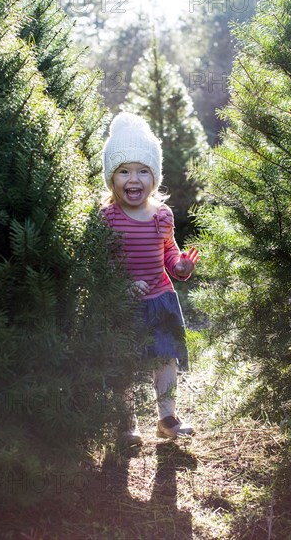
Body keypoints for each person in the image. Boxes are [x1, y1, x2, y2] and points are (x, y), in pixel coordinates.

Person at [101, 112, 199, 444]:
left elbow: (169, 251)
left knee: (165, 357)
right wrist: (121, 286)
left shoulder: (161, 215)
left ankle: (167, 418)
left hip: (160, 299)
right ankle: (126, 423)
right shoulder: (107, 217)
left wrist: (181, 265)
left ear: (154, 177)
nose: (134, 179)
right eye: (124, 171)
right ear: (112, 178)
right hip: (124, 304)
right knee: (124, 364)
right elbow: (100, 263)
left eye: (143, 171)